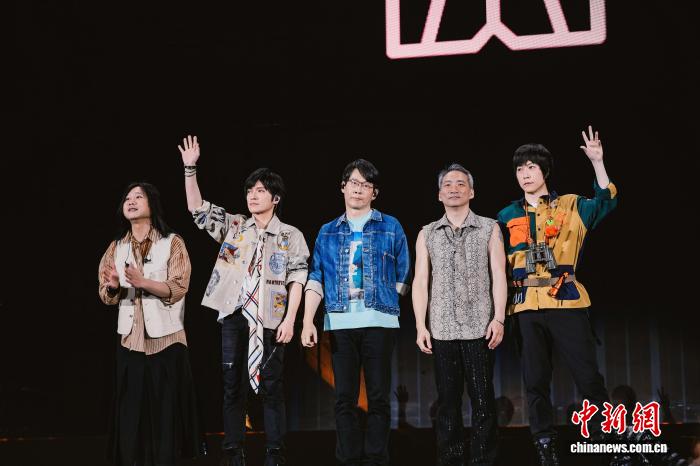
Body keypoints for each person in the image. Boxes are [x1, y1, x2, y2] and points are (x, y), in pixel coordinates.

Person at [178, 135, 309, 466]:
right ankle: (233, 452)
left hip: (272, 318)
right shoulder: (235, 225)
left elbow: (297, 279)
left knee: (273, 387)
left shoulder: (290, 235)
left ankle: (275, 453)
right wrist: (190, 169)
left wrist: (291, 320)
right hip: (234, 315)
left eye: (260, 190)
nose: (253, 195)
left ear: (275, 198)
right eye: (250, 190)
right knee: (231, 387)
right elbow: (197, 210)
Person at [496, 126, 617, 465]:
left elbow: (606, 201)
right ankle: (544, 444)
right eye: (519, 169)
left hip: (566, 299)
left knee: (587, 375)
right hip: (525, 305)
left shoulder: (572, 205)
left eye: (531, 167)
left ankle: (606, 440)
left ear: (545, 171)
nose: (525, 174)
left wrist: (597, 162)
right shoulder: (505, 216)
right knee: (535, 380)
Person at [301, 159, 410, 466]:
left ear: (375, 192)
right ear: (343, 187)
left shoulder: (391, 225)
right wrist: (307, 320)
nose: (359, 189)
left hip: (379, 322)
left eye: (366, 184)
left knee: (378, 397)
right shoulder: (327, 232)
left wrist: (386, 302)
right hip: (340, 322)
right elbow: (316, 277)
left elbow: (404, 271)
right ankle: (349, 459)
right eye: (353, 183)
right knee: (344, 399)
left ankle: (376, 458)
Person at [98, 182, 202, 466]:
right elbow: (105, 294)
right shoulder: (116, 247)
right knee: (131, 416)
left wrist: (143, 282)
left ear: (152, 204)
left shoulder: (172, 242)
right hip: (130, 341)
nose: (131, 201)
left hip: (166, 341)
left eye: (138, 197)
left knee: (164, 415)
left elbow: (179, 287)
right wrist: (113, 286)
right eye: (127, 198)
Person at [412, 163, 506, 465]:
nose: (454, 189)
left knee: (483, 400)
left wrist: (499, 318)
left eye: (461, 184)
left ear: (472, 192)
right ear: (439, 194)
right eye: (448, 184)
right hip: (441, 329)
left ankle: (484, 460)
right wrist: (420, 325)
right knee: (447, 403)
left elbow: (499, 274)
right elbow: (420, 281)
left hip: (481, 328)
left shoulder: (489, 228)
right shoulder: (427, 233)